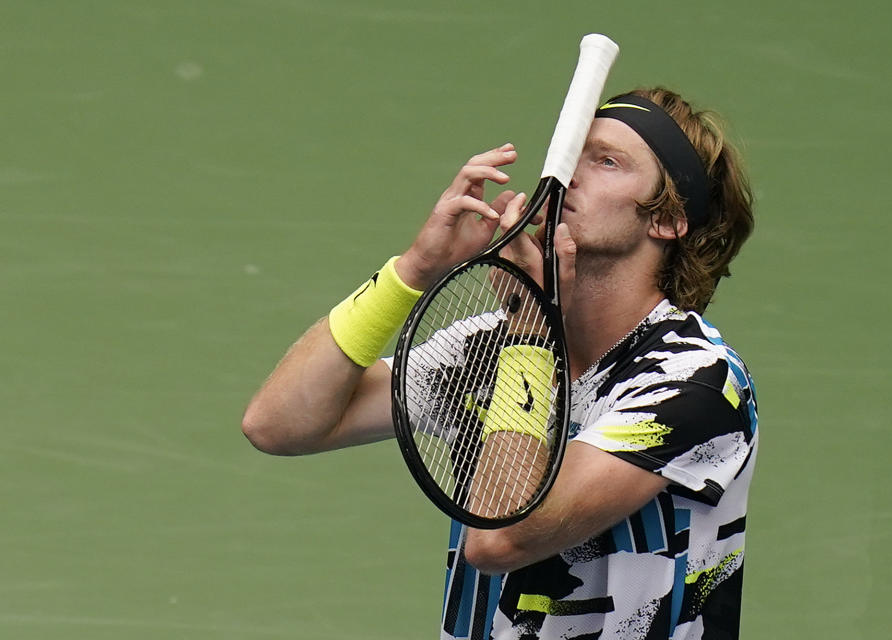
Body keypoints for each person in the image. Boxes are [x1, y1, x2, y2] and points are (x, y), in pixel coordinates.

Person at [242, 86, 758, 640]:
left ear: (668, 220)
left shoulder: (695, 381)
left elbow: (497, 540)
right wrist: (415, 269)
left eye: (606, 162)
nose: (564, 177)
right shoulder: (496, 346)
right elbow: (277, 425)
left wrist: (530, 337)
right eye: (571, 153)